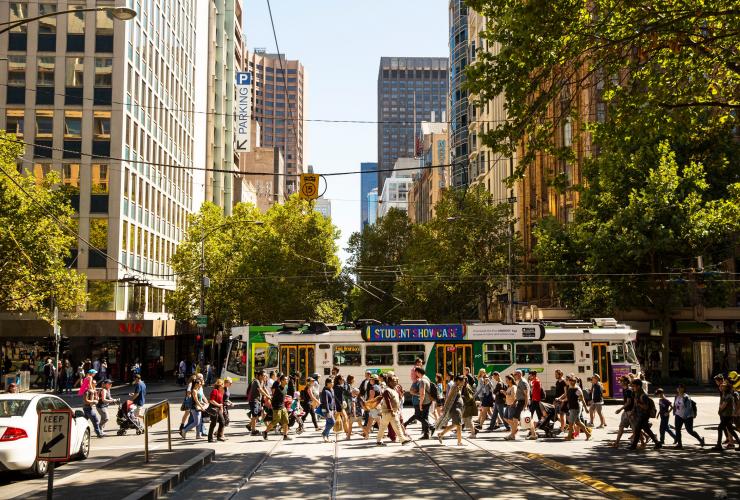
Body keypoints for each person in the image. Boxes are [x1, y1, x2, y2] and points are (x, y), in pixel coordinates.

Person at [373, 375, 410, 446]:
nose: (395, 382)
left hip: (391, 412)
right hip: (389, 412)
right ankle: (403, 440)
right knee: (396, 426)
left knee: (383, 427)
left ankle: (379, 441)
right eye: (394, 381)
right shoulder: (387, 390)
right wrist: (391, 410)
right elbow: (388, 401)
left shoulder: (393, 389)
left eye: (396, 381)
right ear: (389, 382)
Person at [629, 379, 661, 450]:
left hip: (643, 415)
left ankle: (633, 446)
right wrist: (632, 412)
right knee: (646, 429)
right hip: (639, 414)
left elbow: (646, 407)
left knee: (637, 430)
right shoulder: (637, 393)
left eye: (634, 386)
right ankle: (657, 443)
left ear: (638, 386)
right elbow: (635, 404)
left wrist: (638, 403)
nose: (632, 387)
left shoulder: (643, 395)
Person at [558, 374, 591, 441]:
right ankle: (587, 434)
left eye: (573, 381)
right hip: (572, 407)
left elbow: (582, 399)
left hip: (575, 407)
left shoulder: (577, 389)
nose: (572, 382)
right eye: (570, 381)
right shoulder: (570, 388)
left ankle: (570, 436)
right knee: (578, 422)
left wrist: (586, 408)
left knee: (571, 423)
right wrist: (562, 400)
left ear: (575, 382)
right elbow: (568, 398)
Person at [673, 383, 704, 449]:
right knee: (677, 429)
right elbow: (675, 405)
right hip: (678, 415)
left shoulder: (686, 397)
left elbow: (689, 407)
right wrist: (675, 412)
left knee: (690, 430)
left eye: (680, 387)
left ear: (683, 389)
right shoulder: (676, 396)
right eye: (678, 387)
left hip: (687, 416)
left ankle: (700, 439)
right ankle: (679, 444)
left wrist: (685, 416)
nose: (678, 388)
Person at [437, 375, 466, 446]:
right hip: (455, 409)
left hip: (457, 408)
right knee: (459, 425)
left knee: (455, 425)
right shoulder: (454, 387)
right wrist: (444, 407)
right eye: (463, 381)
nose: (464, 383)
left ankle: (441, 434)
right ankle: (459, 442)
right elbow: (449, 397)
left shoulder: (457, 387)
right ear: (459, 381)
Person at [712, 381, 740, 452]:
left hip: (727, 415)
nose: (721, 387)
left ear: (727, 388)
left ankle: (718, 445)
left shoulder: (728, 396)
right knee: (730, 429)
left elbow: (724, 405)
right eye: (721, 386)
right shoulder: (725, 394)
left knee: (720, 428)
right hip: (726, 415)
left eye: (723, 386)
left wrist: (720, 410)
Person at [263, 375, 291, 440]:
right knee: (276, 420)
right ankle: (265, 432)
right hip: (277, 408)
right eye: (285, 379)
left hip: (283, 407)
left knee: (286, 421)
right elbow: (274, 399)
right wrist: (273, 407)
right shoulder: (278, 389)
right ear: (281, 381)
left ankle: (285, 436)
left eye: (287, 379)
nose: (287, 380)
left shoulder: (286, 387)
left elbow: (283, 396)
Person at [613, 376, 634, 448]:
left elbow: (629, 402)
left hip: (630, 411)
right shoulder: (624, 389)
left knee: (634, 428)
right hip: (626, 411)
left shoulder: (628, 390)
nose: (620, 382)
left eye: (621, 381)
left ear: (625, 382)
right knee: (621, 426)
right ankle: (616, 443)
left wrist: (620, 409)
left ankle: (643, 441)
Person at [413, 367, 434, 439]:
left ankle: (431, 427)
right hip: (429, 400)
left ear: (418, 372)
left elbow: (422, 393)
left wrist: (420, 403)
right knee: (425, 417)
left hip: (424, 401)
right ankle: (426, 434)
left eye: (416, 373)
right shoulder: (427, 378)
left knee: (420, 417)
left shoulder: (422, 381)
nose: (416, 375)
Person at [248, 371, 270, 436]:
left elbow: (264, 388)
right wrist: (267, 396)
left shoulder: (262, 382)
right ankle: (253, 431)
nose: (264, 377)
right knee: (255, 415)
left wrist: (269, 395)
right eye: (263, 376)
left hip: (258, 401)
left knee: (258, 415)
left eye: (265, 376)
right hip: (253, 400)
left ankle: (249, 426)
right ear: (260, 376)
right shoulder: (256, 381)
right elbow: (260, 390)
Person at [320, 377, 336, 442]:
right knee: (332, 422)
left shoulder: (331, 390)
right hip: (326, 410)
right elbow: (325, 402)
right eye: (331, 382)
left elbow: (333, 400)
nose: (332, 383)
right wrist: (328, 411)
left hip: (331, 409)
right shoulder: (325, 391)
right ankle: (324, 433)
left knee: (328, 423)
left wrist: (334, 409)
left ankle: (326, 437)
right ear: (327, 383)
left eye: (333, 382)